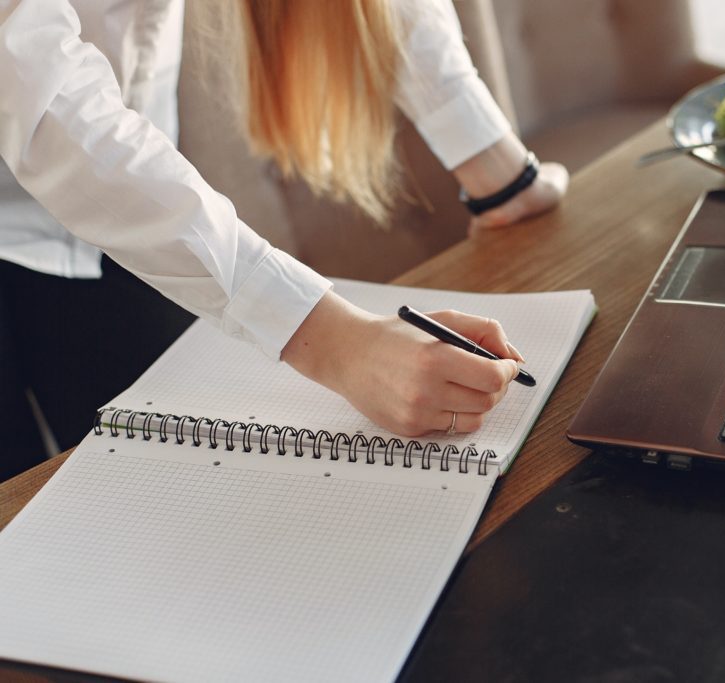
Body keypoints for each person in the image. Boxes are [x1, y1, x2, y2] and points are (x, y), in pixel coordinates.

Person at [0, 0, 568, 479]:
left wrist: (498, 173)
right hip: (77, 167)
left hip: (113, 214)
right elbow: (31, 82)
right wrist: (337, 343)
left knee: (160, 484)